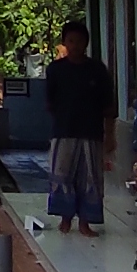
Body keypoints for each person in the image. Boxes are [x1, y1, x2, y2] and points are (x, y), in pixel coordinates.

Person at [43, 21, 114, 235]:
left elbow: (108, 105)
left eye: (79, 41)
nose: (75, 46)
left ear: (86, 43)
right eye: (71, 41)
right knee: (62, 174)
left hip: (92, 133)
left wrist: (110, 135)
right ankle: (65, 220)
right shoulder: (55, 70)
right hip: (63, 131)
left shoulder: (97, 70)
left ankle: (85, 222)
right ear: (64, 43)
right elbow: (49, 103)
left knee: (90, 177)